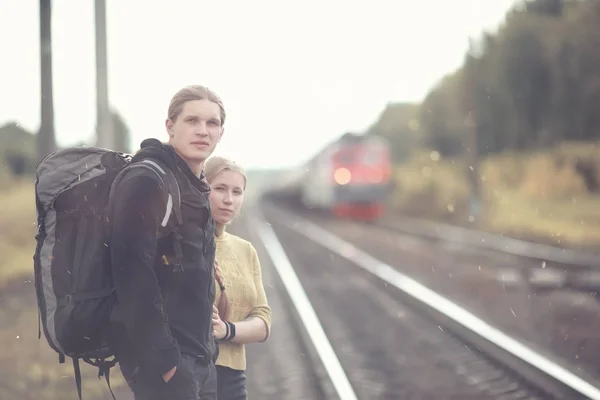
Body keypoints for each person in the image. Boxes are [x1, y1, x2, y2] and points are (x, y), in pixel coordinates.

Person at [108, 85, 225, 400]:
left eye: (212, 123)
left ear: (221, 132)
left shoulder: (196, 185)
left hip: (197, 357)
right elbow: (132, 274)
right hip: (165, 361)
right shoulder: (148, 180)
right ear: (170, 127)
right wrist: (167, 363)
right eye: (192, 121)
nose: (203, 130)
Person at [203, 156, 272, 400]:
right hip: (190, 374)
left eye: (237, 191)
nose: (228, 200)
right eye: (219, 189)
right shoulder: (182, 243)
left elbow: (263, 322)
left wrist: (227, 330)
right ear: (202, 188)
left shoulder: (246, 250)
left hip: (233, 377)